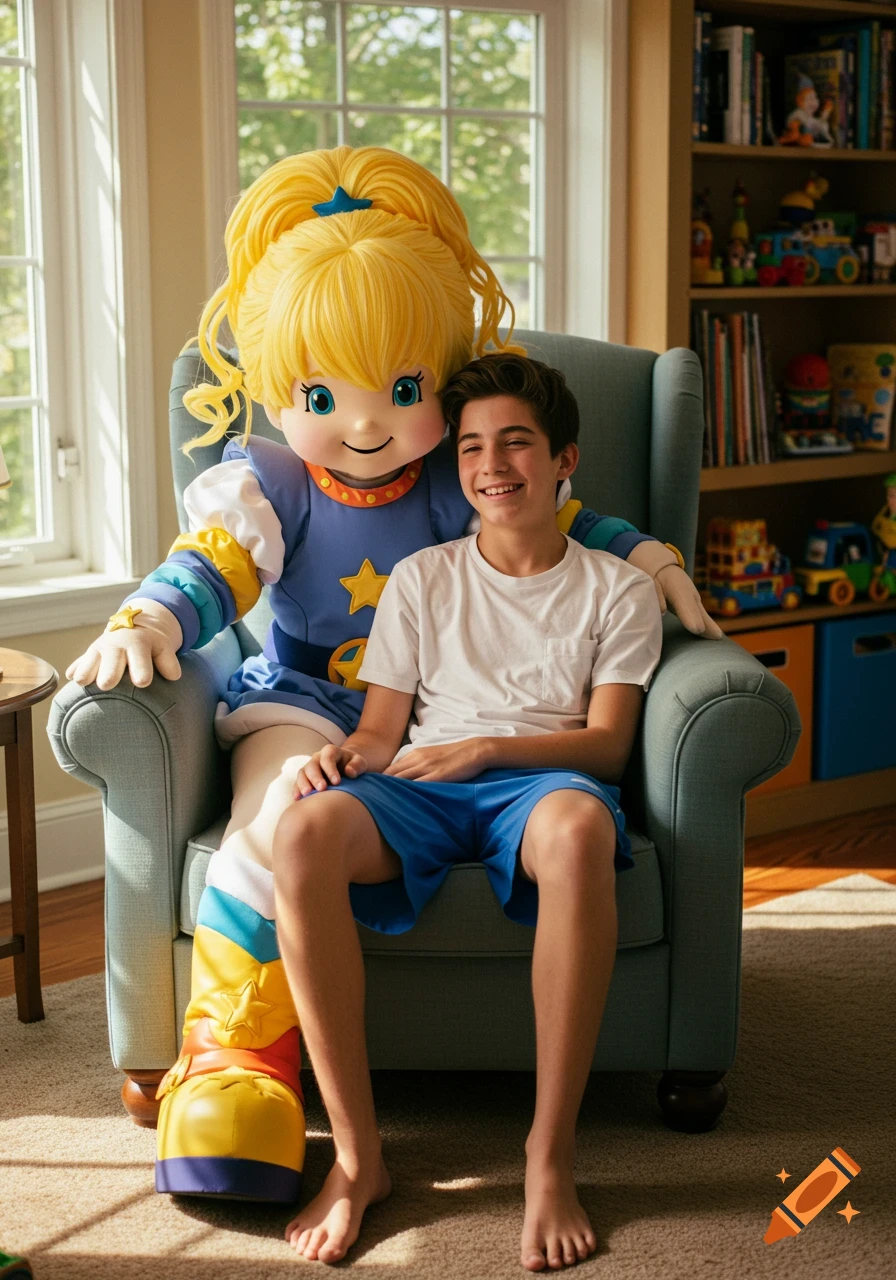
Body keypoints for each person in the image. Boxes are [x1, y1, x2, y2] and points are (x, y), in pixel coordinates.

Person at [64, 147, 717, 1205]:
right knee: (274, 824)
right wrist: (151, 613)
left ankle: (532, 1150)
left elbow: (551, 513)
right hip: (308, 695)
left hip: (442, 721)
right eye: (322, 391)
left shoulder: (464, 470)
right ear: (278, 383)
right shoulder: (271, 480)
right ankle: (237, 1057)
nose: (365, 420)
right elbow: (217, 565)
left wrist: (644, 552)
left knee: (398, 814)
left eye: (401, 388)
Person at [273, 352, 663, 1270]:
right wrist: (340, 758)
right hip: (421, 782)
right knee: (304, 834)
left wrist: (486, 750)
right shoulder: (422, 577)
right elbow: (378, 732)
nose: (493, 465)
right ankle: (361, 1162)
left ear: (564, 459)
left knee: (577, 830)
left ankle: (548, 1154)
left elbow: (606, 746)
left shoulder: (619, 588)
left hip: (540, 783)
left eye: (516, 443)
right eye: (474, 446)